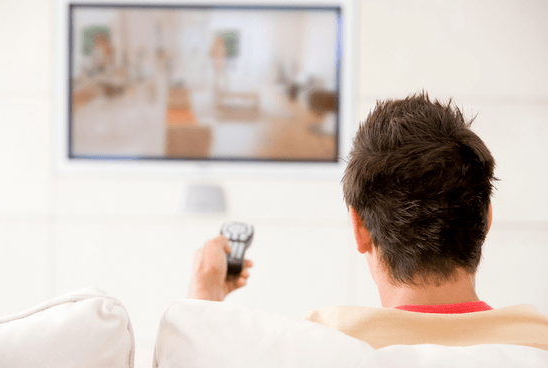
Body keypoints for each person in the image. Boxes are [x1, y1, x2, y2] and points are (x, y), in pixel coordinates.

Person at [188, 93, 548, 351]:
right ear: (485, 219)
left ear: (359, 228)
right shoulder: (537, 347)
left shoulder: (309, 351)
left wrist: (204, 298)